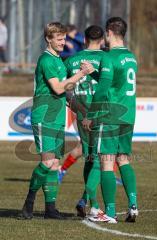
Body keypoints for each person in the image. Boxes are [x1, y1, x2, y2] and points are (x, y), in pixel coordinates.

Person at [21, 22, 94, 220]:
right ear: (49, 39)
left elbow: (66, 94)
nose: (63, 42)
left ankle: (50, 209)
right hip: (44, 118)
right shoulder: (46, 60)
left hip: (57, 117)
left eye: (64, 38)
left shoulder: (59, 60)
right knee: (47, 162)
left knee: (54, 164)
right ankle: (28, 203)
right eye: (59, 39)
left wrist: (81, 110)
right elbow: (59, 88)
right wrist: (81, 73)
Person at [83, 17, 138, 223]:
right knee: (123, 159)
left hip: (110, 115)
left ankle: (111, 213)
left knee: (106, 162)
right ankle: (133, 206)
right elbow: (115, 82)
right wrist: (94, 73)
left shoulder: (109, 57)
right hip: (128, 115)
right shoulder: (131, 57)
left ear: (108, 33)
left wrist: (90, 114)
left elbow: (104, 89)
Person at [64, 25, 108, 218]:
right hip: (102, 113)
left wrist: (77, 108)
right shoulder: (107, 59)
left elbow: (64, 90)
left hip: (81, 113)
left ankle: (84, 200)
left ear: (84, 39)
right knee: (100, 159)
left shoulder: (71, 60)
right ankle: (95, 206)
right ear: (103, 40)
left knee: (90, 157)